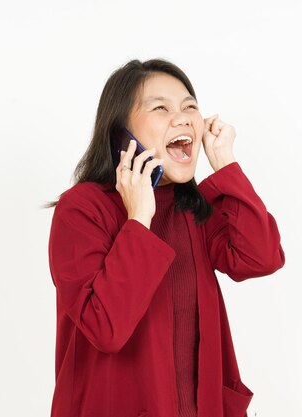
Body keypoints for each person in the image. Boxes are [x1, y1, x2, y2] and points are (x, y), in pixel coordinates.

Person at [45, 58, 285, 417]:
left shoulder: (194, 208)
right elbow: (106, 328)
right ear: (120, 133)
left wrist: (226, 163)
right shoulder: (81, 209)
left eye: (190, 106)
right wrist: (139, 218)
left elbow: (262, 257)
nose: (183, 117)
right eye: (161, 107)